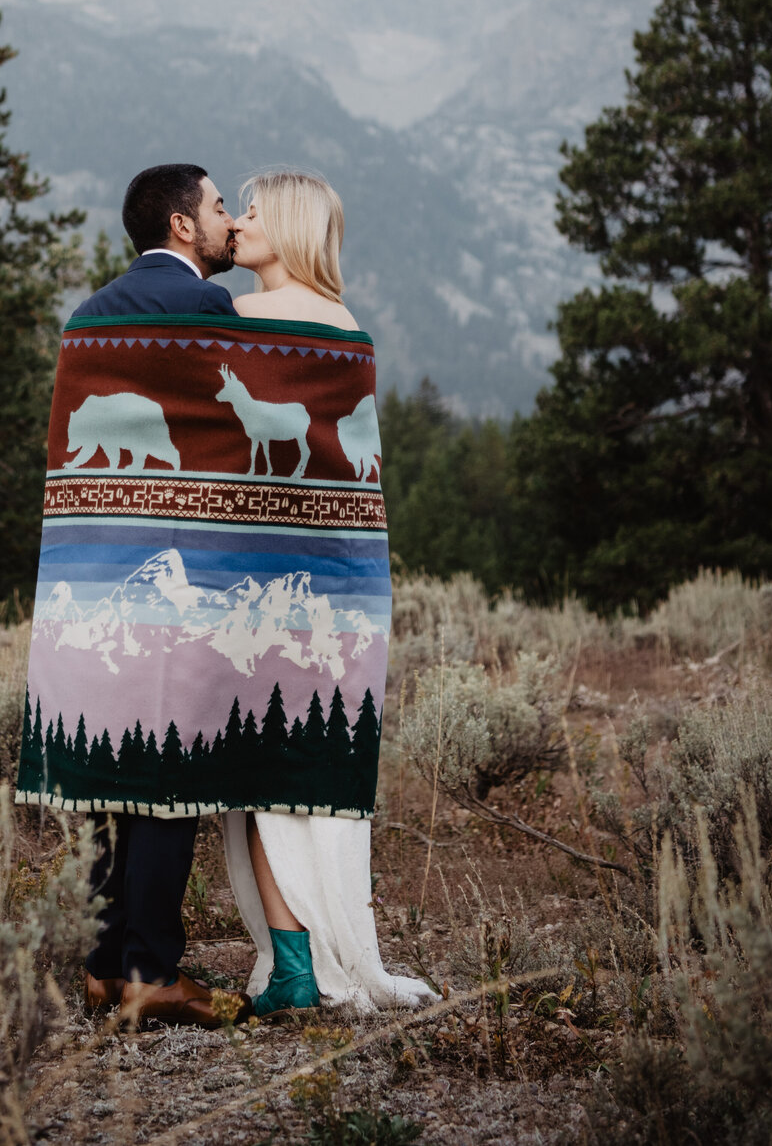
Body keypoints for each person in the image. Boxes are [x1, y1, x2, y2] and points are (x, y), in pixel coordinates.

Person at [222, 168, 436, 1014]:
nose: (237, 224)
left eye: (251, 212)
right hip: (342, 577)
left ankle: (298, 966)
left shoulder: (238, 317)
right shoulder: (346, 324)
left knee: (264, 755)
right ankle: (310, 956)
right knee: (309, 759)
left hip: (264, 577)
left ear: (291, 226)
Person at [74, 163, 250, 1029]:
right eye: (219, 207)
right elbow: (221, 441)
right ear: (183, 225)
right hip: (180, 572)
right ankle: (153, 970)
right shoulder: (210, 309)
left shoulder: (88, 314)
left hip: (101, 571)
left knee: (114, 762)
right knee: (172, 767)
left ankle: (106, 964)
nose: (229, 221)